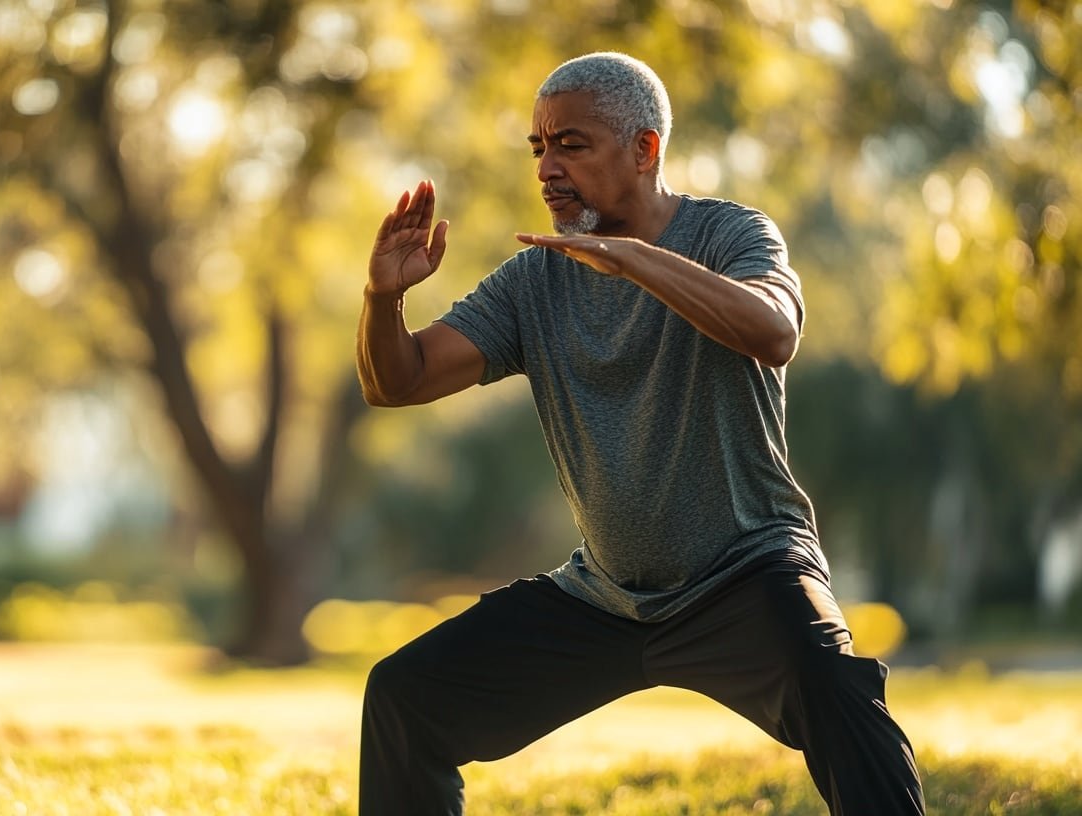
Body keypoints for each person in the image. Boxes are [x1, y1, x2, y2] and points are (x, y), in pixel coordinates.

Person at [354, 52, 925, 815]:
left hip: (747, 573)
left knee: (835, 689)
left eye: (571, 144)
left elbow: (774, 331)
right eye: (538, 148)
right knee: (404, 697)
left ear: (645, 150)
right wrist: (381, 298)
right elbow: (398, 381)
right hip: (606, 599)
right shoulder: (536, 279)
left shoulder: (729, 233)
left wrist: (635, 262)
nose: (547, 168)